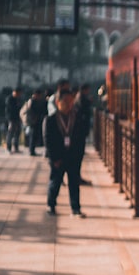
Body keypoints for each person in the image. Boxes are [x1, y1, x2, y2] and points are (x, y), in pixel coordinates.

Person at [43, 86, 87, 218]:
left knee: (74, 183)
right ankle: (51, 205)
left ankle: (75, 208)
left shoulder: (78, 118)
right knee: (55, 182)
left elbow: (81, 139)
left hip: (73, 157)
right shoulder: (50, 120)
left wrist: (79, 157)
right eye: (65, 101)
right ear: (58, 102)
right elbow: (48, 141)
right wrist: (54, 158)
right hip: (58, 157)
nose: (68, 104)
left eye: (70, 101)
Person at [22, 89, 46, 156]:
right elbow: (32, 111)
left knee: (33, 136)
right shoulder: (32, 101)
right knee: (32, 136)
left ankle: (32, 150)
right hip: (33, 121)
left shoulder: (35, 101)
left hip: (35, 120)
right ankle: (31, 150)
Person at [4, 87, 23, 153]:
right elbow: (10, 110)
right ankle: (8, 147)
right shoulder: (10, 99)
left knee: (17, 132)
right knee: (10, 133)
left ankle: (16, 147)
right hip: (11, 119)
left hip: (17, 118)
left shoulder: (18, 99)